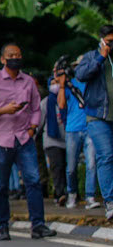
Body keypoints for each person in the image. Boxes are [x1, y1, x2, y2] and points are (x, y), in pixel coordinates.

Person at [0, 43, 56, 240]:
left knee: (33, 182)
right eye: (11, 55)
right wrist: (4, 110)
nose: (15, 58)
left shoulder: (28, 82)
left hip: (24, 138)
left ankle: (38, 225)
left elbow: (36, 109)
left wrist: (32, 129)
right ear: (3, 59)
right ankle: (2, 226)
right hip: (0, 140)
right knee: (0, 186)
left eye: (18, 55)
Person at [73, 25, 113, 222]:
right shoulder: (91, 57)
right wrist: (101, 57)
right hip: (98, 117)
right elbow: (81, 75)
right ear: (102, 40)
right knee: (106, 156)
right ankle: (110, 202)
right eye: (109, 41)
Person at [58, 59, 99, 209]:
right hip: (72, 129)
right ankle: (72, 194)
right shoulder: (70, 85)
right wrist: (62, 85)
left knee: (92, 164)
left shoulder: (92, 83)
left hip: (90, 127)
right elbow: (61, 104)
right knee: (71, 167)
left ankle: (90, 196)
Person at [44, 66, 68, 205]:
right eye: (52, 83)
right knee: (57, 167)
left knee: (67, 168)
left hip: (66, 137)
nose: (55, 86)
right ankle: (59, 194)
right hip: (51, 140)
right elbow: (38, 122)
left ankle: (68, 193)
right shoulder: (45, 102)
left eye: (56, 83)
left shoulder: (66, 97)